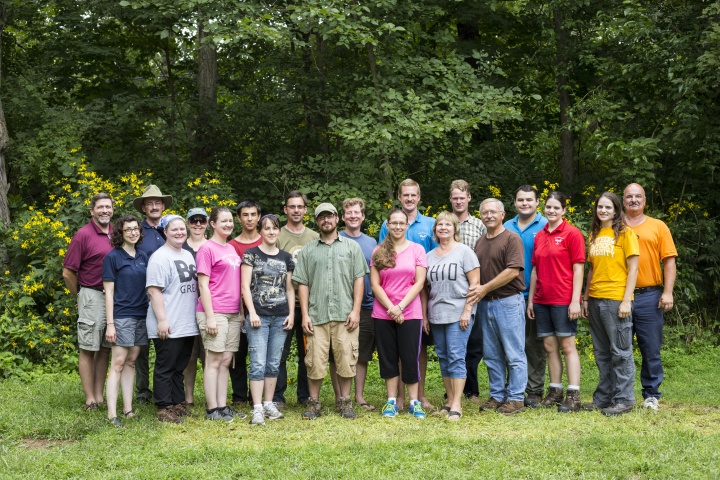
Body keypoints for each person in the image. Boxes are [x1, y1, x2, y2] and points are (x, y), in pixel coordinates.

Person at [293, 203, 368, 420]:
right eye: (322, 217)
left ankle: (345, 401)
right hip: (316, 317)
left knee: (346, 359)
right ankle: (314, 402)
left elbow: (359, 281)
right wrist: (305, 314)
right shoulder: (308, 250)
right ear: (317, 221)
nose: (326, 220)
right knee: (314, 361)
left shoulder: (352, 248)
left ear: (337, 219)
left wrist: (356, 311)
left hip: (345, 316)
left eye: (330, 216)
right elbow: (303, 284)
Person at [378, 179, 437, 410]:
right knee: (395, 349)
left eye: (414, 195)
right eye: (405, 195)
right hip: (393, 295)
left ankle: (419, 397)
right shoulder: (388, 225)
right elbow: (382, 262)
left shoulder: (430, 224)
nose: (409, 199)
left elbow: (434, 258)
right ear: (400, 198)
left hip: (423, 291)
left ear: (419, 197)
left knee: (416, 347)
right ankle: (398, 398)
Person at [467, 198, 527, 415]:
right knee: (491, 354)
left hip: (508, 301)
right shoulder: (481, 241)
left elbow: (513, 270)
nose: (489, 215)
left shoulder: (512, 238)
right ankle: (497, 395)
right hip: (486, 304)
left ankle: (516, 398)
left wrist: (485, 288)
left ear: (502, 215)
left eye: (493, 212)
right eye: (485, 212)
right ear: (481, 216)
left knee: (514, 352)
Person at [526, 192, 585, 412]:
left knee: (567, 346)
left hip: (563, 299)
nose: (551, 211)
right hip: (542, 300)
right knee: (550, 346)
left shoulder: (572, 234)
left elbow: (578, 269)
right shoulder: (540, 235)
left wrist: (575, 301)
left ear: (564, 210)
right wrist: (531, 300)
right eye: (548, 207)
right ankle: (555, 390)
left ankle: (574, 394)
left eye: (556, 208)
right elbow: (534, 270)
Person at [581, 192, 639, 416]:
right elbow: (592, 270)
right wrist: (586, 298)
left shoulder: (625, 233)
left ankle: (624, 399)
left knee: (620, 351)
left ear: (616, 210)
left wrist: (627, 300)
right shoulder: (594, 234)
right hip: (596, 299)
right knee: (602, 352)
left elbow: (633, 268)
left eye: (608, 207)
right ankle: (604, 398)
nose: (603, 211)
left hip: (616, 299)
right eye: (599, 207)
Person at [623, 183, 677, 410]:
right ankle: (620, 392)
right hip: (617, 295)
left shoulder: (658, 226)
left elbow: (670, 261)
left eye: (638, 196)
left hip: (649, 295)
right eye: (629, 196)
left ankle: (651, 394)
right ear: (623, 200)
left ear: (645, 200)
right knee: (618, 347)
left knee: (650, 347)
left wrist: (667, 292)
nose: (633, 200)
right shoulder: (614, 225)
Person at [371, 208, 428, 419]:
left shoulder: (417, 250)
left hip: (410, 312)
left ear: (407, 226)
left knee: (410, 357)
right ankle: (391, 401)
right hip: (383, 313)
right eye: (393, 223)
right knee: (388, 358)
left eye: (401, 223)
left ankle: (414, 402)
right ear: (387, 225)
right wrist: (391, 309)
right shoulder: (379, 251)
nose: (397, 226)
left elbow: (419, 282)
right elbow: (375, 285)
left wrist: (400, 307)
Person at [425, 211, 480, 421]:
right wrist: (426, 316)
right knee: (444, 358)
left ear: (455, 229)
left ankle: (457, 404)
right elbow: (426, 288)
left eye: (448, 224)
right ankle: (449, 400)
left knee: (457, 356)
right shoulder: (429, 256)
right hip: (437, 313)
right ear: (435, 230)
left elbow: (475, 285)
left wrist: (467, 310)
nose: (443, 228)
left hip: (459, 314)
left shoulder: (465, 252)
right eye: (440, 225)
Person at [241, 214, 295, 425]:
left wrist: (291, 313)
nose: (271, 232)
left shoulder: (286, 258)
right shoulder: (251, 255)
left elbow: (289, 288)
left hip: (281, 316)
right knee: (258, 363)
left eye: (275, 228)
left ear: (279, 231)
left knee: (274, 363)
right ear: (260, 231)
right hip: (259, 317)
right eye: (267, 228)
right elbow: (245, 286)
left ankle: (268, 403)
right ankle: (256, 408)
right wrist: (252, 313)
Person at [62, 192, 114, 411]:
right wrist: (80, 296)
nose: (105, 211)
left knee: (104, 349)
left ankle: (100, 395)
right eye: (100, 207)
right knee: (87, 348)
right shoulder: (83, 235)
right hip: (91, 294)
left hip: (113, 296)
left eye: (108, 207)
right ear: (92, 210)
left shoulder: (116, 232)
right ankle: (90, 399)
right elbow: (67, 273)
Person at [145, 215, 200, 423]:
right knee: (166, 366)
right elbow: (154, 290)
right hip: (168, 322)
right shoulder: (160, 257)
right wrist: (162, 320)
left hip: (186, 323)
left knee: (180, 365)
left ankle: (177, 402)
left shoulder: (187, 254)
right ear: (165, 232)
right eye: (174, 229)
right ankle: (163, 406)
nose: (179, 232)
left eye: (182, 229)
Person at [196, 206, 245, 422]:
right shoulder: (207, 249)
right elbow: (203, 286)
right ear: (212, 224)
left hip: (233, 313)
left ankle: (223, 406)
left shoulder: (231, 249)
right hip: (215, 311)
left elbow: (236, 284)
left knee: (226, 360)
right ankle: (212, 409)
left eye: (230, 220)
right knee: (213, 361)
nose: (228, 224)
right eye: (223, 221)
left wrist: (241, 312)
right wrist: (210, 317)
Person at [102, 214, 149, 427]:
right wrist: (110, 323)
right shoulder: (113, 257)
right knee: (119, 363)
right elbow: (108, 293)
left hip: (142, 315)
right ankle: (112, 414)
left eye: (135, 228)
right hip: (121, 316)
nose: (132, 232)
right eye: (127, 229)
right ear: (120, 233)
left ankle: (128, 409)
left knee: (131, 361)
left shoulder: (143, 256)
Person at [504, 185, 548, 408]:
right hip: (509, 294)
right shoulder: (505, 226)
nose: (525, 203)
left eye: (529, 200)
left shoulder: (546, 225)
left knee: (534, 344)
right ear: (514, 203)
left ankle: (534, 390)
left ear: (537, 202)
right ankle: (512, 389)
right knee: (510, 345)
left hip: (537, 294)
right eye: (520, 200)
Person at [275, 191, 318, 409]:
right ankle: (277, 396)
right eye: (292, 207)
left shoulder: (313, 237)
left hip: (309, 305)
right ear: (285, 210)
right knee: (279, 352)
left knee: (307, 354)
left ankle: (305, 396)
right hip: (282, 303)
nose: (296, 210)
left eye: (300, 207)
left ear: (305, 210)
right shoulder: (277, 235)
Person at [133, 184, 173, 404]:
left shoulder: (172, 228)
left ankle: (167, 387)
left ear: (163, 206)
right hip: (142, 296)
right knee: (141, 347)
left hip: (171, 298)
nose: (155, 206)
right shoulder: (137, 231)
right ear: (144, 208)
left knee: (167, 344)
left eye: (158, 202)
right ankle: (142, 389)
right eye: (150, 203)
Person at [449, 179, 486, 403]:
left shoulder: (479, 225)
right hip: (451, 291)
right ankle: (452, 388)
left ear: (469, 198)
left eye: (462, 197)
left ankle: (471, 390)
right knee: (453, 343)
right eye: (455, 198)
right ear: (451, 200)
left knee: (473, 342)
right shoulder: (444, 223)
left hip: (473, 288)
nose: (459, 201)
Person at [339, 198, 377, 411]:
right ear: (343, 217)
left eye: (357, 212)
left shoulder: (371, 243)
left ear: (363, 216)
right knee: (341, 352)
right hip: (343, 305)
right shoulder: (335, 239)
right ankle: (340, 396)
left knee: (362, 353)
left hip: (368, 305)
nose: (353, 216)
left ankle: (359, 396)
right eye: (349, 213)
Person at [228, 200, 263, 408]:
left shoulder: (266, 241)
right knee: (238, 353)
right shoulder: (232, 246)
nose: (249, 219)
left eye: (253, 214)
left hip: (265, 307)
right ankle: (239, 395)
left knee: (260, 354)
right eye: (245, 215)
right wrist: (240, 311)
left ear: (259, 217)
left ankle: (257, 395)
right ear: (239, 218)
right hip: (238, 307)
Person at [181, 207, 209, 406]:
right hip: (185, 309)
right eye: (193, 220)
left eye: (201, 220)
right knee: (189, 358)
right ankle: (188, 398)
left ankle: (211, 398)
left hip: (210, 309)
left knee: (210, 355)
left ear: (208, 223)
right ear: (187, 223)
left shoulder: (214, 246)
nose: (197, 224)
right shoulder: (180, 247)